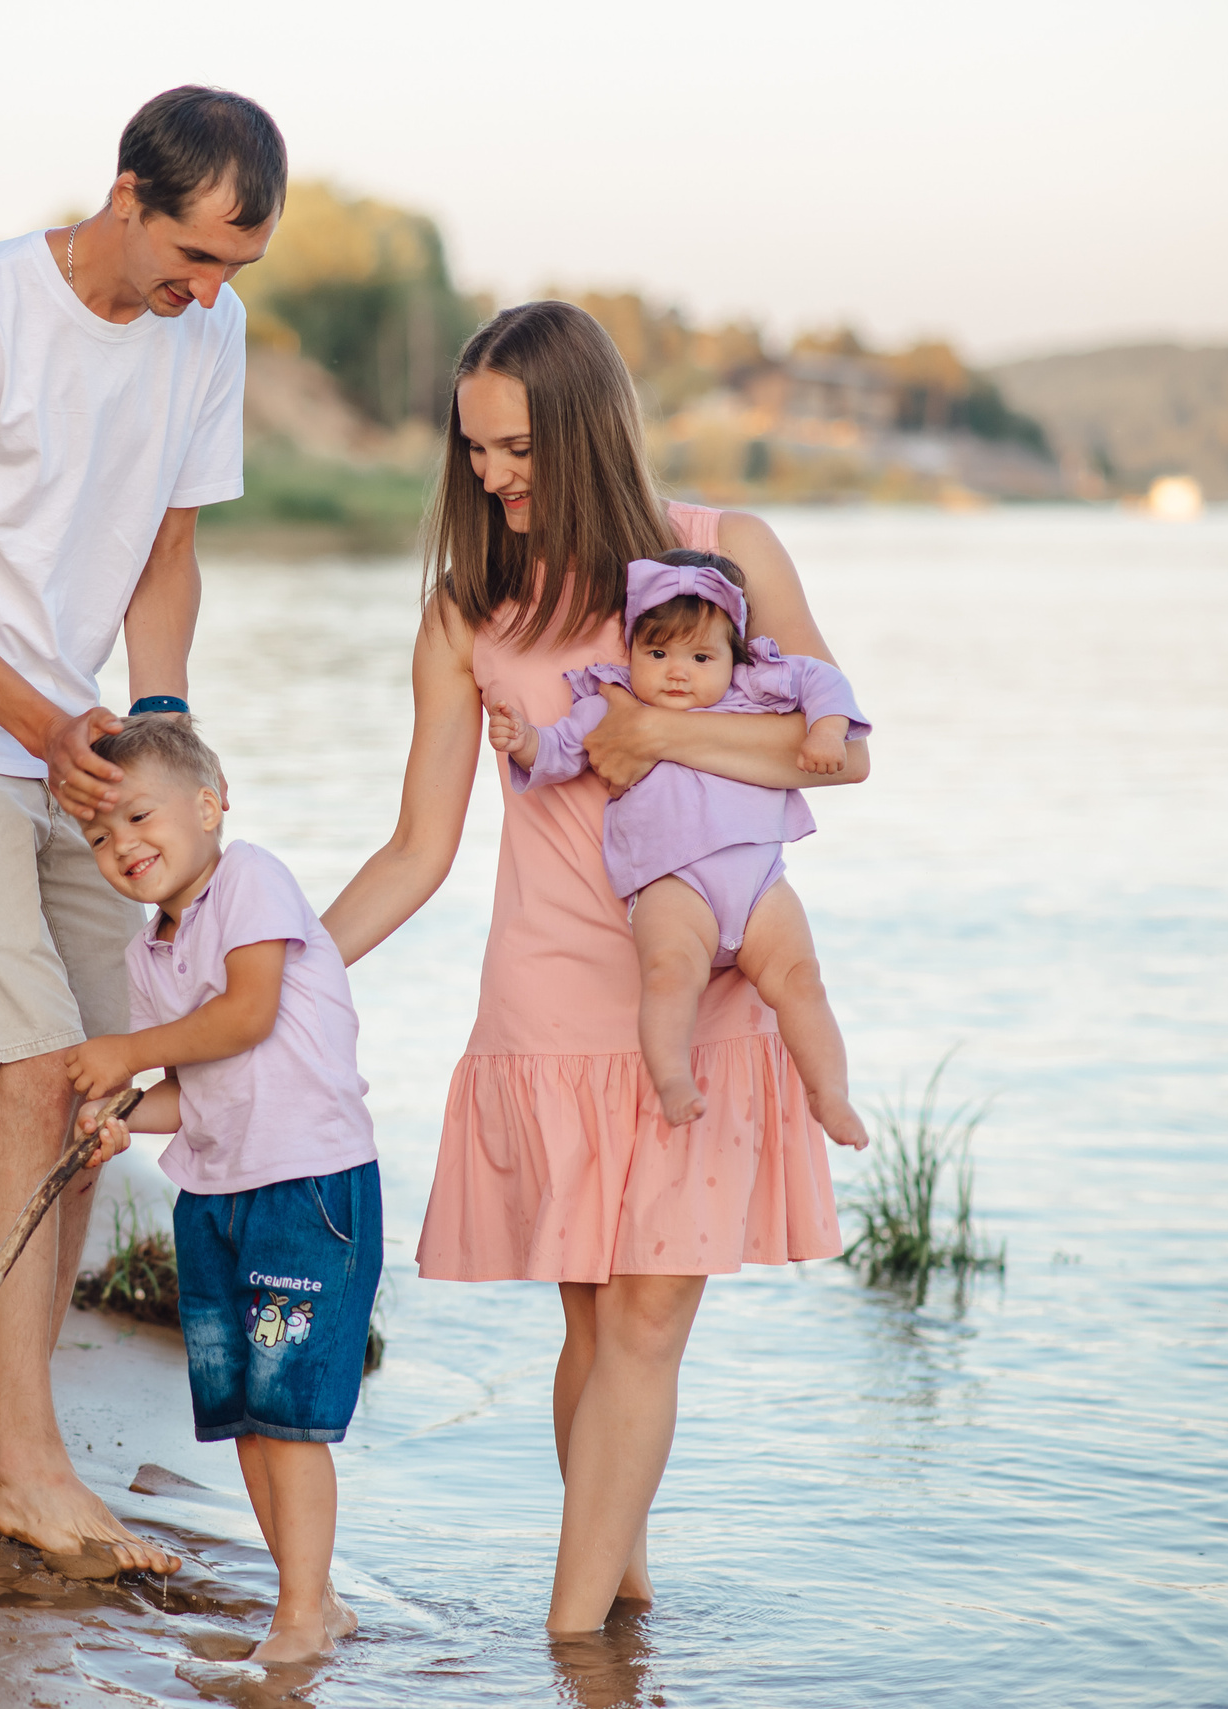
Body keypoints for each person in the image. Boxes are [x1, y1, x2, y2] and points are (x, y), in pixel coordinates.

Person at [318, 301, 869, 1635]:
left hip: (706, 990)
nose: (491, 475)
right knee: (596, 1327)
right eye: (474, 450)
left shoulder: (726, 553)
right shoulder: (469, 615)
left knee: (649, 1319)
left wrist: (655, 732)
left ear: (582, 429)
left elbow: (839, 748)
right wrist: (286, 968)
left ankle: (570, 1639)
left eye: (515, 448)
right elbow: (417, 847)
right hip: (552, 996)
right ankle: (611, 1605)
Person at [0, 85, 284, 1574]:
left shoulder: (207, 333)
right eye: (195, 255)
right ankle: (30, 1463)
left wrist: (158, 730)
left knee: (97, 1091)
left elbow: (168, 551)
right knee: (34, 1067)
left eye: (235, 268)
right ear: (127, 195)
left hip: (76, 755)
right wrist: (41, 724)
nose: (208, 292)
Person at [64, 717, 380, 1663]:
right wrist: (125, 1115)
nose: (122, 846)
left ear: (208, 805)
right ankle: (312, 1601)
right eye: (98, 836)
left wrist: (126, 1052)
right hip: (214, 1199)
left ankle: (298, 1621)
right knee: (247, 1416)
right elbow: (188, 1087)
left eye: (138, 816)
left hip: (305, 1190)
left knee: (291, 1419)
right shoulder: (146, 955)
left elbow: (246, 1014)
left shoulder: (250, 878)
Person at [486, 548, 875, 1149]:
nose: (677, 672)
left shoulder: (756, 685)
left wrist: (826, 729)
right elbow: (559, 751)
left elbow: (824, 679)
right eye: (658, 653)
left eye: (700, 657)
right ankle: (671, 1078)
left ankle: (830, 1093)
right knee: (670, 974)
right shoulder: (610, 704)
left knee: (801, 980)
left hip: (760, 883)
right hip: (674, 885)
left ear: (732, 655)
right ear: (632, 650)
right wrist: (523, 741)